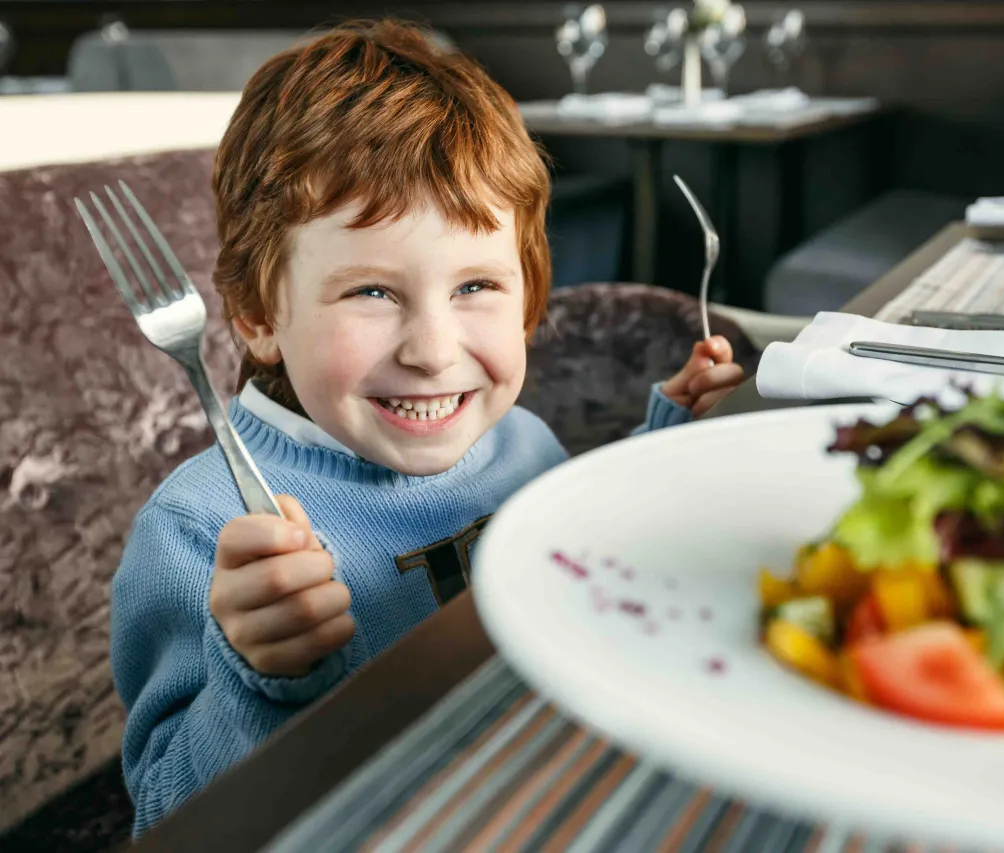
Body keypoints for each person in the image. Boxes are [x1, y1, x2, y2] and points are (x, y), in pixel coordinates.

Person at [110, 19, 745, 835]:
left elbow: (570, 565)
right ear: (260, 314)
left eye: (476, 285)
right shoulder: (199, 535)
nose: (435, 352)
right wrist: (256, 676)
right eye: (372, 292)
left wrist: (666, 438)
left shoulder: (519, 442)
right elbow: (165, 821)